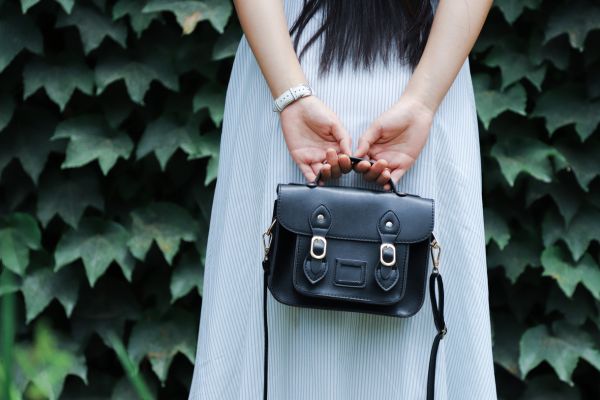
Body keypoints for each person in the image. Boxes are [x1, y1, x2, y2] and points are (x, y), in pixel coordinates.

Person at [188, 0, 497, 398]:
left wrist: (292, 96)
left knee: (259, 344)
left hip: (287, 62)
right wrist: (422, 101)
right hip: (422, 67)